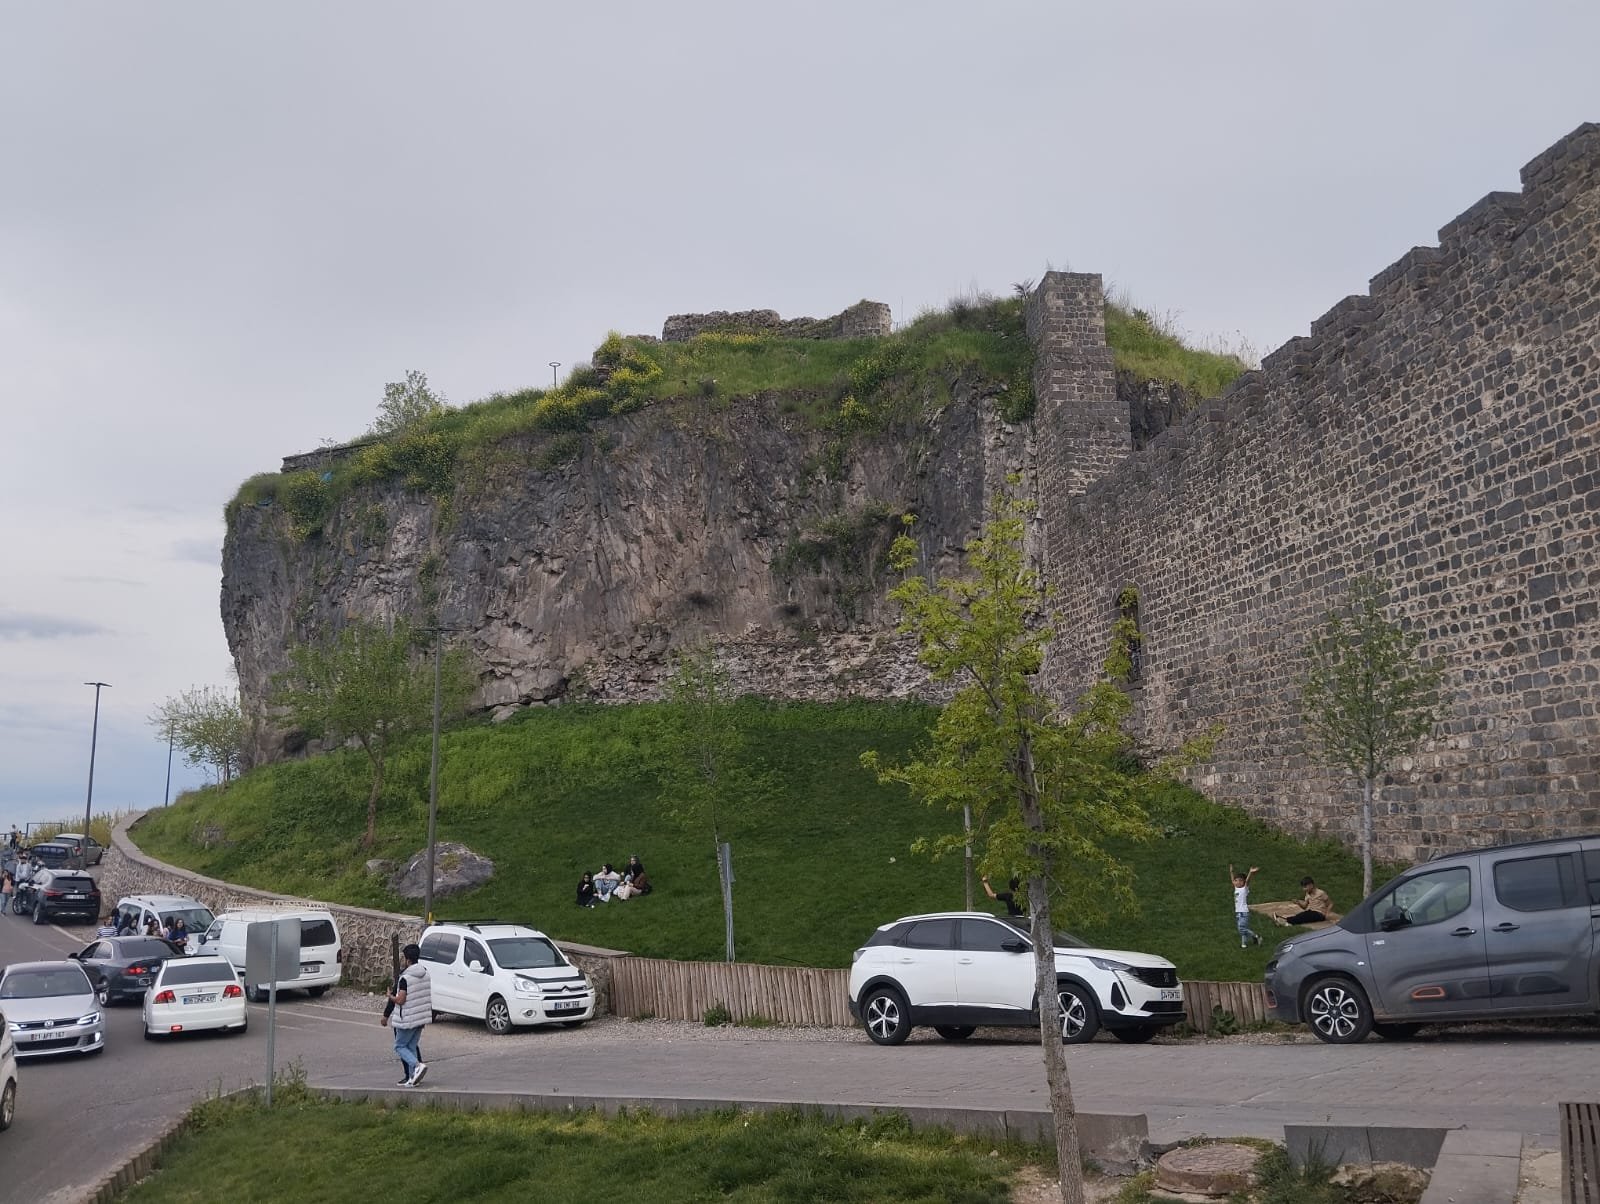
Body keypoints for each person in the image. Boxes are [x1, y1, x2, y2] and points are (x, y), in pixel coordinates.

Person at [381, 942, 432, 1086]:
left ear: (408, 960)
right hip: (420, 1018)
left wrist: (390, 996)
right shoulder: (425, 973)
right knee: (411, 1046)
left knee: (400, 1046)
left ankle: (417, 1066)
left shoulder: (405, 978)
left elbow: (401, 1000)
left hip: (407, 1018)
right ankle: (412, 1078)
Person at [1230, 864, 1262, 947]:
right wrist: (1231, 872)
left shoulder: (1244, 889)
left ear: (1243, 882)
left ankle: (1256, 936)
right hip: (1238, 912)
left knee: (1242, 928)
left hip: (1243, 912)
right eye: (1236, 880)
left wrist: (1250, 873)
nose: (1237, 882)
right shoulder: (1236, 888)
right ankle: (1243, 944)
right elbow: (1232, 880)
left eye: (1240, 880)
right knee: (1242, 929)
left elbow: (1248, 881)